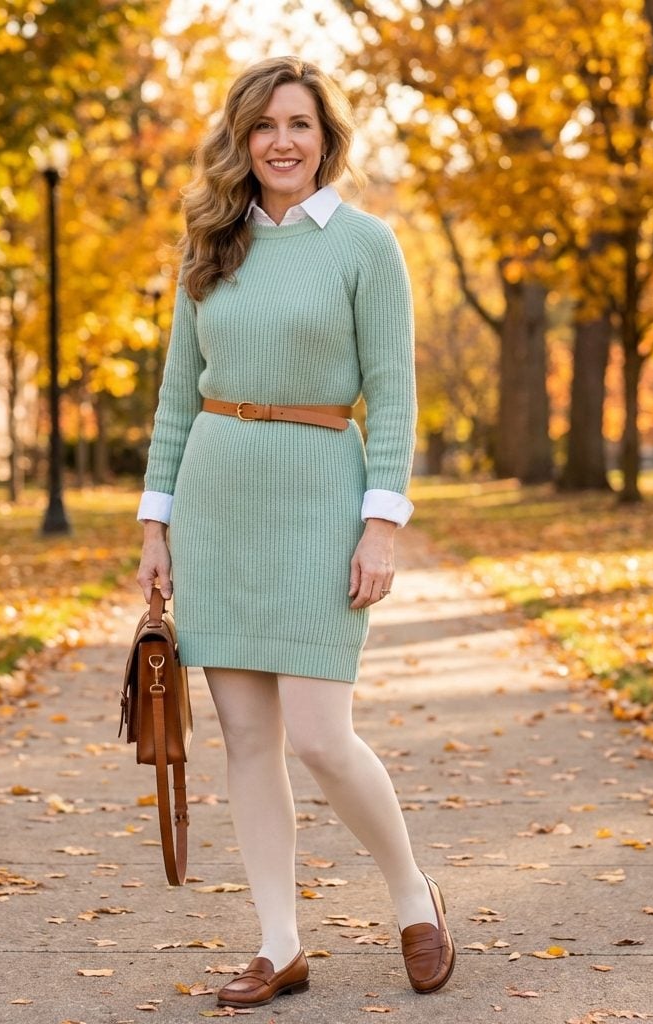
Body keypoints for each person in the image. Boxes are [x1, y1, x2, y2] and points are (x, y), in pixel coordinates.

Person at [135, 55, 454, 1008]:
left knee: (320, 735)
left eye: (300, 125)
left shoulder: (366, 246)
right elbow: (172, 405)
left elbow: (393, 399)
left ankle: (411, 893)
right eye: (265, 124)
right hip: (218, 501)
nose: (282, 140)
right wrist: (157, 523)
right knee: (244, 738)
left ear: (326, 140)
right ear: (242, 138)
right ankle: (279, 944)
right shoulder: (208, 246)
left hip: (322, 491)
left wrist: (381, 527)